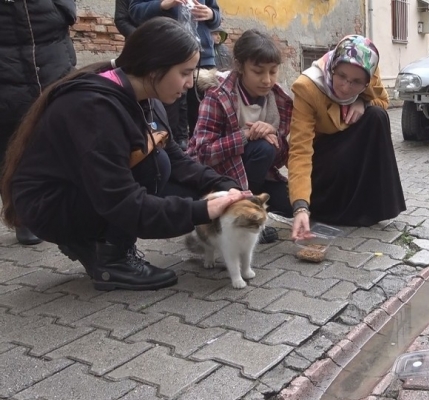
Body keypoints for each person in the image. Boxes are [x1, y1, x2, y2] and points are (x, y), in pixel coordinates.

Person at [0, 18, 247, 292]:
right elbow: (120, 199)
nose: (190, 83)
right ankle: (113, 261)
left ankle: (94, 244)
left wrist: (223, 185)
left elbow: (178, 160)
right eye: (185, 72)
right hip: (51, 206)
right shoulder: (95, 109)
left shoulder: (145, 97)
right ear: (155, 67)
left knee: (165, 165)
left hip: (81, 191)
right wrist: (202, 211)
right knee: (154, 164)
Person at [288, 35, 406, 239]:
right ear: (333, 67)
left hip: (347, 148)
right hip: (323, 162)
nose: (345, 87)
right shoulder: (307, 88)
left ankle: (366, 207)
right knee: (361, 129)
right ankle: (328, 207)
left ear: (366, 80)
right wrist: (300, 207)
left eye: (356, 82)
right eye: (341, 76)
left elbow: (383, 102)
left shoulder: (370, 70)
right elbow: (300, 151)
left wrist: (364, 102)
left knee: (376, 117)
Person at [189, 29, 293, 243]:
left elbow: (281, 158)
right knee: (262, 147)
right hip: (221, 178)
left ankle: (252, 202)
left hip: (258, 175)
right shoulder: (218, 96)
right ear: (240, 66)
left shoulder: (279, 99)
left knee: (292, 206)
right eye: (258, 71)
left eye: (273, 72)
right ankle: (242, 215)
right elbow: (204, 153)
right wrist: (246, 135)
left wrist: (272, 133)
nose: (267, 80)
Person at [0, 0, 77, 245]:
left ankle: (57, 210)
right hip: (7, 76)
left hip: (53, 68)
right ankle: (20, 216)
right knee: (8, 149)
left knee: (58, 145)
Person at [129, 0, 222, 148]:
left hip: (203, 58)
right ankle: (171, 154)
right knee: (169, 118)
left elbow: (217, 16)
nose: (189, 82)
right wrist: (164, 4)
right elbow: (135, 12)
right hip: (169, 56)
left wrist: (210, 14)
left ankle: (198, 156)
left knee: (203, 117)